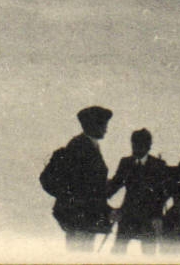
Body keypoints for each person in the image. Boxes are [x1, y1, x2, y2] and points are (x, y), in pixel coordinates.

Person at [40, 106, 113, 251]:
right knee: (80, 253)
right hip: (80, 215)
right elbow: (85, 186)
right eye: (103, 125)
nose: (106, 129)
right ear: (93, 125)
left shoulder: (88, 145)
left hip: (82, 215)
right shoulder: (80, 147)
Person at [107, 128, 171, 255]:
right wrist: (99, 193)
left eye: (140, 144)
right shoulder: (126, 162)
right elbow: (115, 184)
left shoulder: (158, 165)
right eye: (134, 143)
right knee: (118, 251)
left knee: (149, 253)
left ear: (148, 146)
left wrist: (158, 216)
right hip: (127, 214)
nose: (136, 147)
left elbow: (164, 193)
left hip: (150, 217)